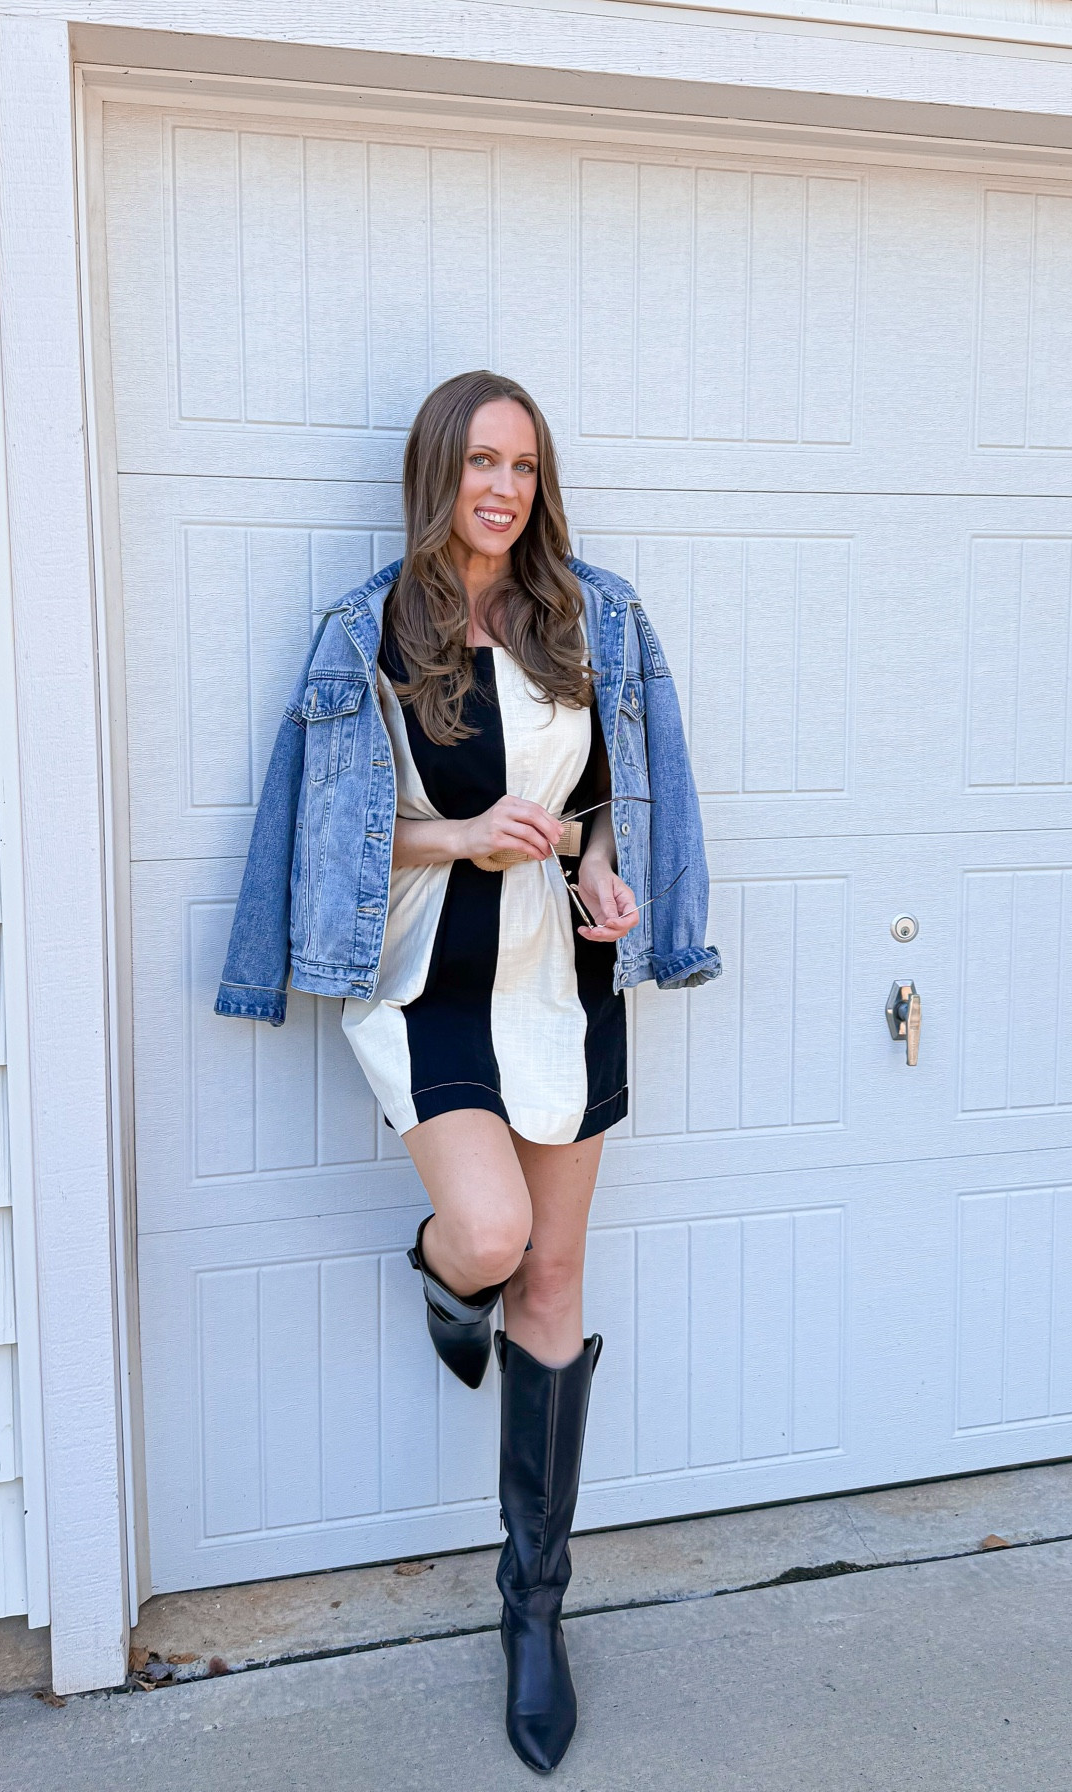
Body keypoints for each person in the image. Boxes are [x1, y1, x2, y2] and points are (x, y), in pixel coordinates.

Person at [215, 369, 719, 1774]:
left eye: (524, 468)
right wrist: (463, 841)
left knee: (556, 1282)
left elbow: (614, 798)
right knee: (495, 1238)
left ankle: (533, 1613)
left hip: (562, 980)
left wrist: (608, 878)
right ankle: (447, 1272)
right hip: (430, 972)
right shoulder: (366, 631)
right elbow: (333, 834)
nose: (503, 490)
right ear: (436, 472)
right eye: (480, 463)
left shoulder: (593, 616)